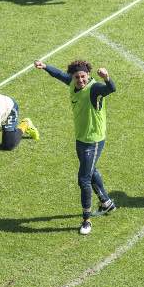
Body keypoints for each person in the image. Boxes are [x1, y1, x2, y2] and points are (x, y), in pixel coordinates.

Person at [34, 59, 117, 235]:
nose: (80, 80)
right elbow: (60, 76)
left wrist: (107, 78)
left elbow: (110, 89)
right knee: (91, 171)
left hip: (94, 140)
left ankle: (86, 220)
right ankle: (106, 202)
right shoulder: (72, 83)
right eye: (77, 77)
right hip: (81, 138)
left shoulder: (94, 89)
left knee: (83, 179)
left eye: (83, 76)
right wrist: (46, 67)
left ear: (88, 76)